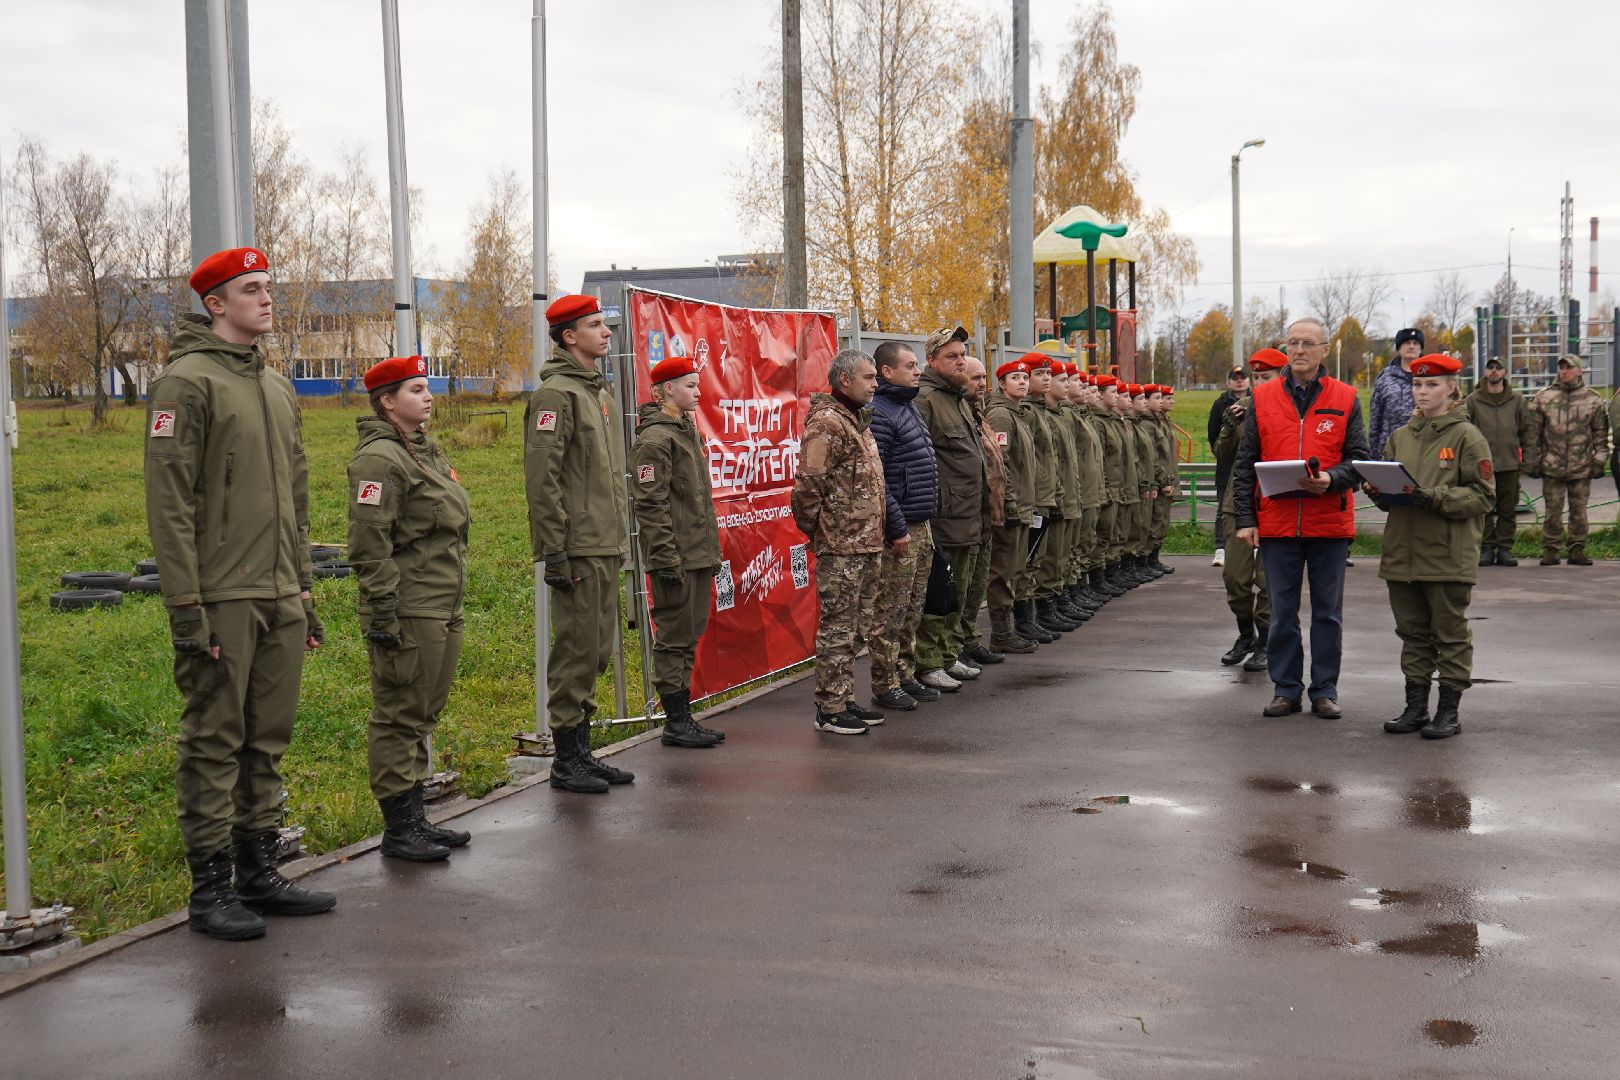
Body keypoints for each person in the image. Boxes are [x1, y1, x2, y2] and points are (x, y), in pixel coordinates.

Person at [145, 246, 336, 941]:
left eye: (269, 288)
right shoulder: (186, 384)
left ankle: (258, 869)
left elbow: (298, 495)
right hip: (222, 591)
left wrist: (305, 592)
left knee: (268, 738)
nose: (266, 299)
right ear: (215, 304)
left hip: (281, 589)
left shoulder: (277, 387)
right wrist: (186, 606)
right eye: (250, 290)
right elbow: (168, 506)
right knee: (215, 738)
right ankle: (210, 887)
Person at [348, 355, 472, 862]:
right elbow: (368, 542)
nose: (428, 396)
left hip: (444, 597)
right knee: (400, 713)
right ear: (387, 401)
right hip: (409, 603)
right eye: (416, 389)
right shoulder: (379, 460)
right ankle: (400, 828)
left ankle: (416, 817)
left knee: (424, 710)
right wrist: (383, 611)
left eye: (428, 387)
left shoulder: (424, 449)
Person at [1232, 317, 1370, 720]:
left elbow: (1359, 459)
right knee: (1281, 614)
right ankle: (1286, 689)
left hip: (1328, 522)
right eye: (1293, 343)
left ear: (1325, 349)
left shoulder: (1345, 396)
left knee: (1327, 614)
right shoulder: (1264, 396)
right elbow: (1246, 463)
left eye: (1308, 343)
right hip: (1277, 523)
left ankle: (1324, 690)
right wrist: (1246, 518)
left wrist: (1332, 479)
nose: (1299, 351)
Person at [525, 294, 634, 793]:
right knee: (574, 650)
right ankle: (566, 759)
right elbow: (542, 479)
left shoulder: (600, 394)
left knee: (595, 651)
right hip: (579, 545)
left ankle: (583, 752)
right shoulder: (557, 396)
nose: (606, 332)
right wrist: (555, 549)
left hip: (605, 542)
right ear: (569, 337)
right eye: (595, 325)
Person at [1362, 354, 1494, 740]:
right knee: (1412, 633)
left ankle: (1448, 712)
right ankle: (1415, 708)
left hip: (1447, 554)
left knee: (1450, 634)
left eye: (1432, 385)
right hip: (1402, 553)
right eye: (1418, 385)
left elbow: (1483, 496)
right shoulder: (1400, 437)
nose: (1422, 392)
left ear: (1452, 387)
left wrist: (1431, 496)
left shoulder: (1467, 436)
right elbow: (1393, 497)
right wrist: (1377, 492)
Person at [630, 355, 725, 749]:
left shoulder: (686, 430)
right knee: (673, 636)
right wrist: (666, 557)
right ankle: (675, 721)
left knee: (689, 634)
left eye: (698, 384)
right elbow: (650, 505)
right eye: (690, 385)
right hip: (676, 557)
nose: (698, 392)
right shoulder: (657, 438)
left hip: (696, 554)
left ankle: (683, 716)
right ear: (668, 389)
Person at [791, 349, 887, 734]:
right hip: (841, 545)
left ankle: (844, 697)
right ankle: (829, 707)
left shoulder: (857, 422)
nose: (875, 384)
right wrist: (820, 531)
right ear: (844, 380)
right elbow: (809, 485)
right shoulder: (828, 423)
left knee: (859, 627)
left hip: (866, 544)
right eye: (868, 377)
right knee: (838, 627)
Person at [912, 327, 989, 693]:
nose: (960, 361)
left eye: (962, 355)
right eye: (951, 357)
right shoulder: (925, 399)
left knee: (958, 589)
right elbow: (918, 460)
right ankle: (928, 661)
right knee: (939, 591)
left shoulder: (956, 398)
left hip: (969, 512)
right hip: (944, 514)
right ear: (932, 361)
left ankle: (947, 654)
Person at [867, 341, 941, 712]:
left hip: (921, 524)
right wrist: (897, 527)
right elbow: (878, 479)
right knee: (891, 611)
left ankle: (906, 673)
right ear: (887, 372)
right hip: (901, 530)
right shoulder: (880, 412)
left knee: (913, 608)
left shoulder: (907, 406)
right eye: (910, 365)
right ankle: (885, 682)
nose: (917, 371)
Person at [1214, 349, 1284, 670]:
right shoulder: (1242, 407)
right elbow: (1222, 454)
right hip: (1238, 499)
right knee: (1235, 577)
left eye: (1265, 377)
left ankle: (1265, 643)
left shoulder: (1289, 409)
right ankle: (1245, 634)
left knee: (1268, 580)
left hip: (1275, 500)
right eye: (1255, 378)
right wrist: (1229, 426)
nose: (1257, 384)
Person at [1526, 355, 1610, 566]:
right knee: (1552, 512)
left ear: (1579, 371)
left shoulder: (1592, 400)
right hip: (1552, 465)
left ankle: (1577, 549)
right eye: (1561, 368)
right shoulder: (1544, 398)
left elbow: (1600, 433)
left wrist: (1599, 460)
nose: (1564, 371)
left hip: (1581, 466)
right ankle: (1551, 550)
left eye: (1569, 368)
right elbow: (1533, 434)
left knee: (1579, 512)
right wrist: (1533, 461)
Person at [959, 355, 1016, 659]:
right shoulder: (964, 413)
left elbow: (997, 467)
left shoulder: (977, 414)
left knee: (977, 584)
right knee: (964, 587)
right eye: (975, 377)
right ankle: (957, 648)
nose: (982, 384)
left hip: (987, 513)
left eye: (984, 378)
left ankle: (970, 641)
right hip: (964, 515)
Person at [984, 356, 1041, 652]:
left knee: (1017, 569)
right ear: (1002, 384)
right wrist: (1008, 504)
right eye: (1015, 378)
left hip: (1022, 506)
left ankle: (1014, 628)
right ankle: (1001, 633)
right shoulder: (1002, 417)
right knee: (1003, 572)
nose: (1022, 382)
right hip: (1010, 507)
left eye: (1024, 378)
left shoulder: (1019, 414)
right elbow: (999, 464)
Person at [1463, 357, 1532, 566]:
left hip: (1509, 464)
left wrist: (1528, 459)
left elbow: (1527, 432)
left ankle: (1504, 549)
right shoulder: (1473, 400)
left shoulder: (1517, 401)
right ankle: (1486, 547)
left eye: (1498, 368)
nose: (1494, 371)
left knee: (1507, 509)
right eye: (1490, 367)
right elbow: (1463, 431)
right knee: (1483, 508)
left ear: (1505, 372)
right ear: (1485, 372)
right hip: (1482, 466)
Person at [1208, 365, 1251, 566]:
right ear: (1228, 382)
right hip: (1227, 467)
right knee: (1223, 510)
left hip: (1249, 467)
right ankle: (1220, 548)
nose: (1239, 381)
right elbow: (1213, 435)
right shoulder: (1220, 404)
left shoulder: (1257, 402)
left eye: (1243, 378)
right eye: (1235, 378)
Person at [1368, 327, 1425, 461]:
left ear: (1421, 348)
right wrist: (1373, 457)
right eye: (1407, 343)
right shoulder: (1385, 378)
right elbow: (1375, 420)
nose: (1411, 346)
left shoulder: (1431, 377)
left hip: (1424, 450)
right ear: (1399, 348)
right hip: (1391, 451)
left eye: (1415, 343)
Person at [1148, 385, 1178, 575]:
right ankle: (1147, 562)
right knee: (1154, 523)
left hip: (1165, 479)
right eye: (1160, 398)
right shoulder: (1150, 424)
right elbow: (1153, 456)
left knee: (1161, 522)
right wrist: (1162, 480)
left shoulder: (1162, 421)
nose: (1167, 401)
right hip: (1158, 482)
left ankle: (1152, 560)